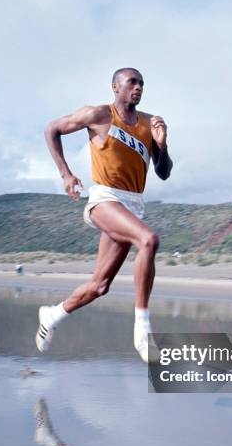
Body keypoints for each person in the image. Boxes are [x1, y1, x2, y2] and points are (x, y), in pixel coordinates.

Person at [35, 68, 173, 362]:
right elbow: (52, 129)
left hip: (133, 204)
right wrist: (66, 174)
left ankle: (52, 315)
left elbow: (163, 172)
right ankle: (142, 332)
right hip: (105, 198)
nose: (138, 88)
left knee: (99, 286)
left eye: (142, 84)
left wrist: (161, 144)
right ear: (115, 86)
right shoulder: (98, 114)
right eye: (132, 82)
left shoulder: (151, 123)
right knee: (148, 240)